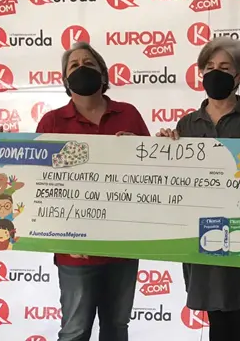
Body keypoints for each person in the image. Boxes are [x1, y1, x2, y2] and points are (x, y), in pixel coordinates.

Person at [157, 37, 240, 341]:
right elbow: (177, 187)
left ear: (239, 76)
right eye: (209, 66)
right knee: (218, 323)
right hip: (205, 241)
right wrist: (164, 151)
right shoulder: (187, 125)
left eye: (225, 68)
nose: (215, 73)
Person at [36, 42, 150, 341]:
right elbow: (39, 187)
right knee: (75, 331)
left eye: (89, 63)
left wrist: (138, 151)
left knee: (117, 328)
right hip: (75, 252)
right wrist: (61, 237)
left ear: (103, 73)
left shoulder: (129, 114)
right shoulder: (52, 122)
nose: (81, 68)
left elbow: (152, 175)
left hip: (124, 246)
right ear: (65, 79)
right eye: (74, 65)